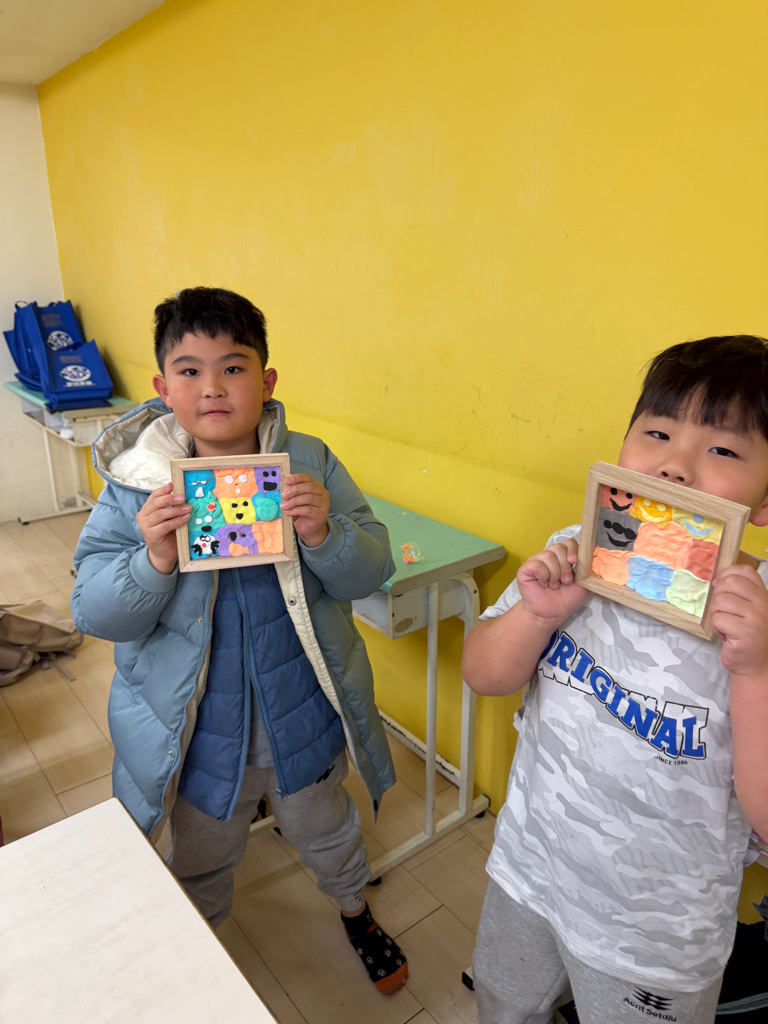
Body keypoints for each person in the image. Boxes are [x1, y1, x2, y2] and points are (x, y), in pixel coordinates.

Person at [71, 286, 408, 995]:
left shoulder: (308, 461)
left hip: (301, 714)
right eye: (189, 371)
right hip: (196, 734)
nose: (213, 387)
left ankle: (354, 908)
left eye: (233, 367)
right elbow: (94, 612)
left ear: (267, 380)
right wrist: (151, 560)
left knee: (325, 829)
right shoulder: (135, 487)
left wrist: (326, 533)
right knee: (200, 857)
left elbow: (371, 569)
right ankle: (200, 968)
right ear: (163, 389)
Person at [462, 335, 768, 1024]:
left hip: (654, 942)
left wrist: (754, 671)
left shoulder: (763, 624)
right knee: (502, 1002)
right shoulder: (572, 554)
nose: (675, 465)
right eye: (657, 433)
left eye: (723, 450)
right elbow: (481, 673)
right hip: (527, 875)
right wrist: (537, 616)